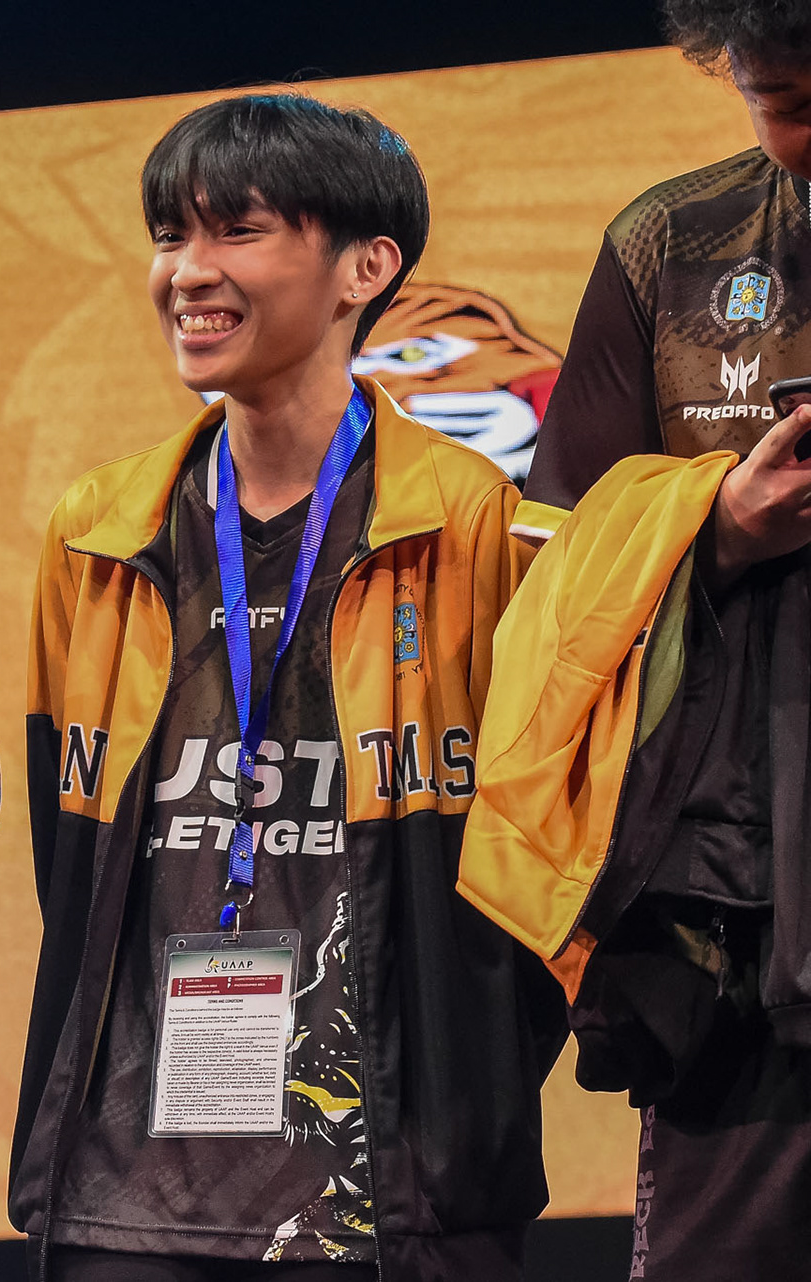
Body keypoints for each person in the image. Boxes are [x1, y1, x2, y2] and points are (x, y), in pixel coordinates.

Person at [11, 94, 565, 1281]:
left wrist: (470, 1085)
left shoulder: (470, 521)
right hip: (125, 1193)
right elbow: (70, 856)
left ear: (367, 267)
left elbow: (533, 852)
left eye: (237, 231)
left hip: (387, 1187)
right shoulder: (98, 530)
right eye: (170, 235)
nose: (186, 272)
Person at [459, 3, 811, 1276]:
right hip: (738, 909)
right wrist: (715, 529)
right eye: (787, 104)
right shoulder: (674, 243)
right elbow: (556, 562)